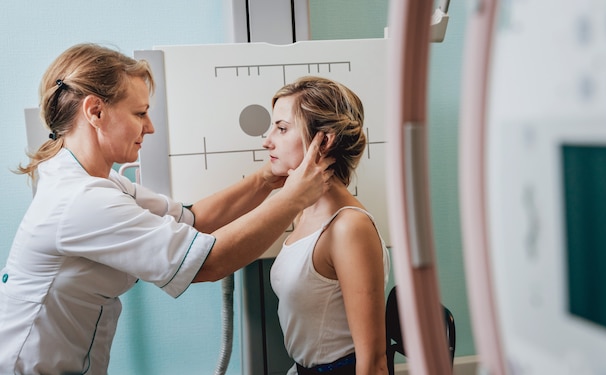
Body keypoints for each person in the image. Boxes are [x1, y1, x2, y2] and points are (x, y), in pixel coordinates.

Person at [0, 43, 334, 375]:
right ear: (95, 112)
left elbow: (194, 219)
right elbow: (209, 263)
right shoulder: (80, 200)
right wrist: (293, 200)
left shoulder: (98, 181)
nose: (150, 127)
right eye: (139, 113)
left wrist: (265, 180)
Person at [266, 76, 390, 375]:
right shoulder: (304, 213)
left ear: (325, 139)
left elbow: (373, 362)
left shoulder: (350, 228)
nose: (267, 139)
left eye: (281, 128)